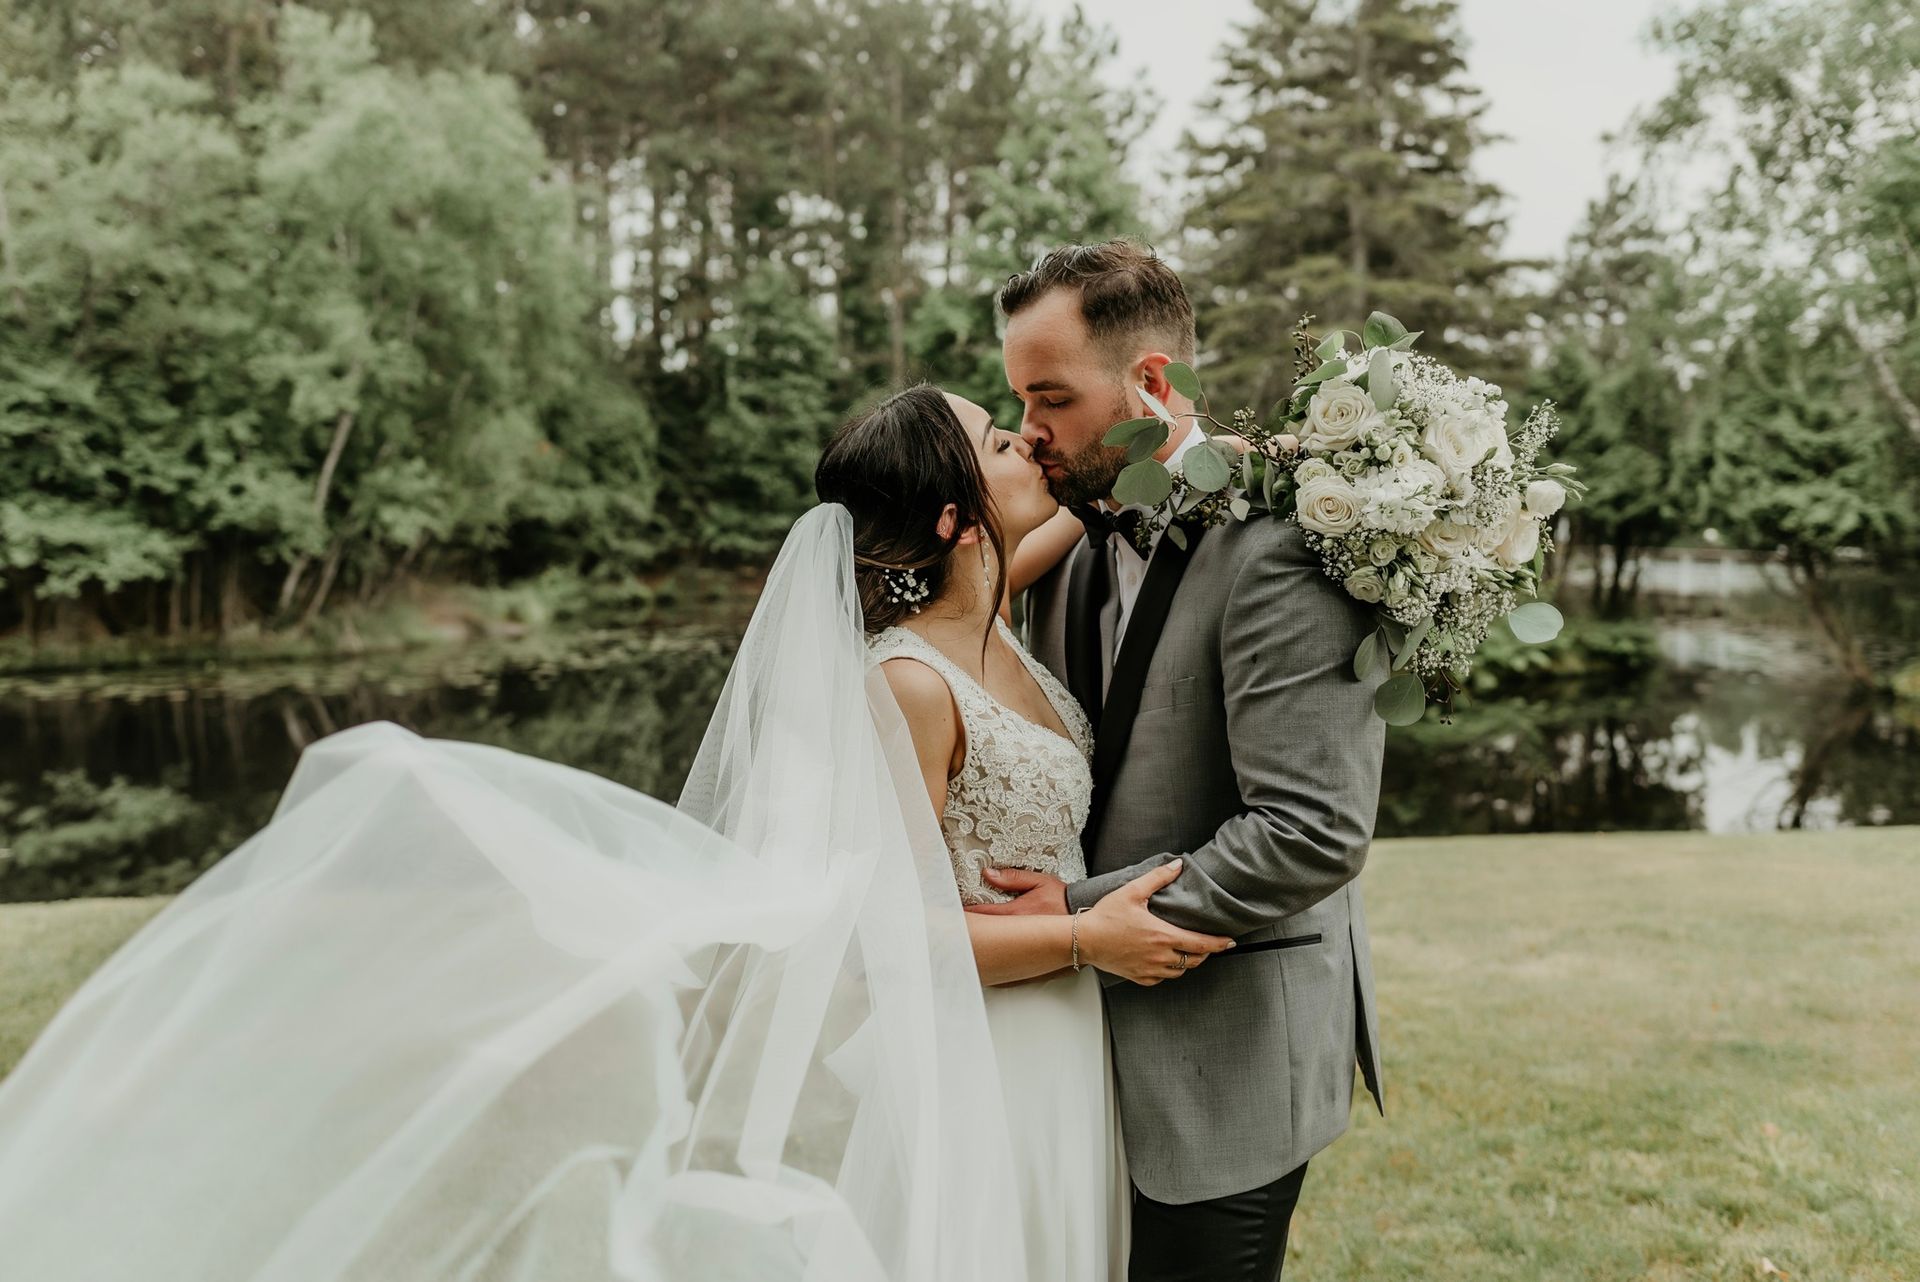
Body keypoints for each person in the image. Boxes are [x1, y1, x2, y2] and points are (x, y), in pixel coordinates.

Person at [0, 379, 1228, 1281]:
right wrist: (1085, 937)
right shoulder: (910, 678)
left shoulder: (985, 606)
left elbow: (1109, 503)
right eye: (1002, 441)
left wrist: (1205, 447)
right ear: (959, 519)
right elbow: (882, 936)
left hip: (1067, 1036)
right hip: (995, 1046)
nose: (1031, 449)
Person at [977, 238, 1388, 1282]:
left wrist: (1078, 911)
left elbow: (1311, 829)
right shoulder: (1068, 541)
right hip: (1076, 1060)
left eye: (1052, 398)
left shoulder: (1284, 546)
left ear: (1149, 383)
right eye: (1019, 400)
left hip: (1225, 1052)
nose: (1031, 432)